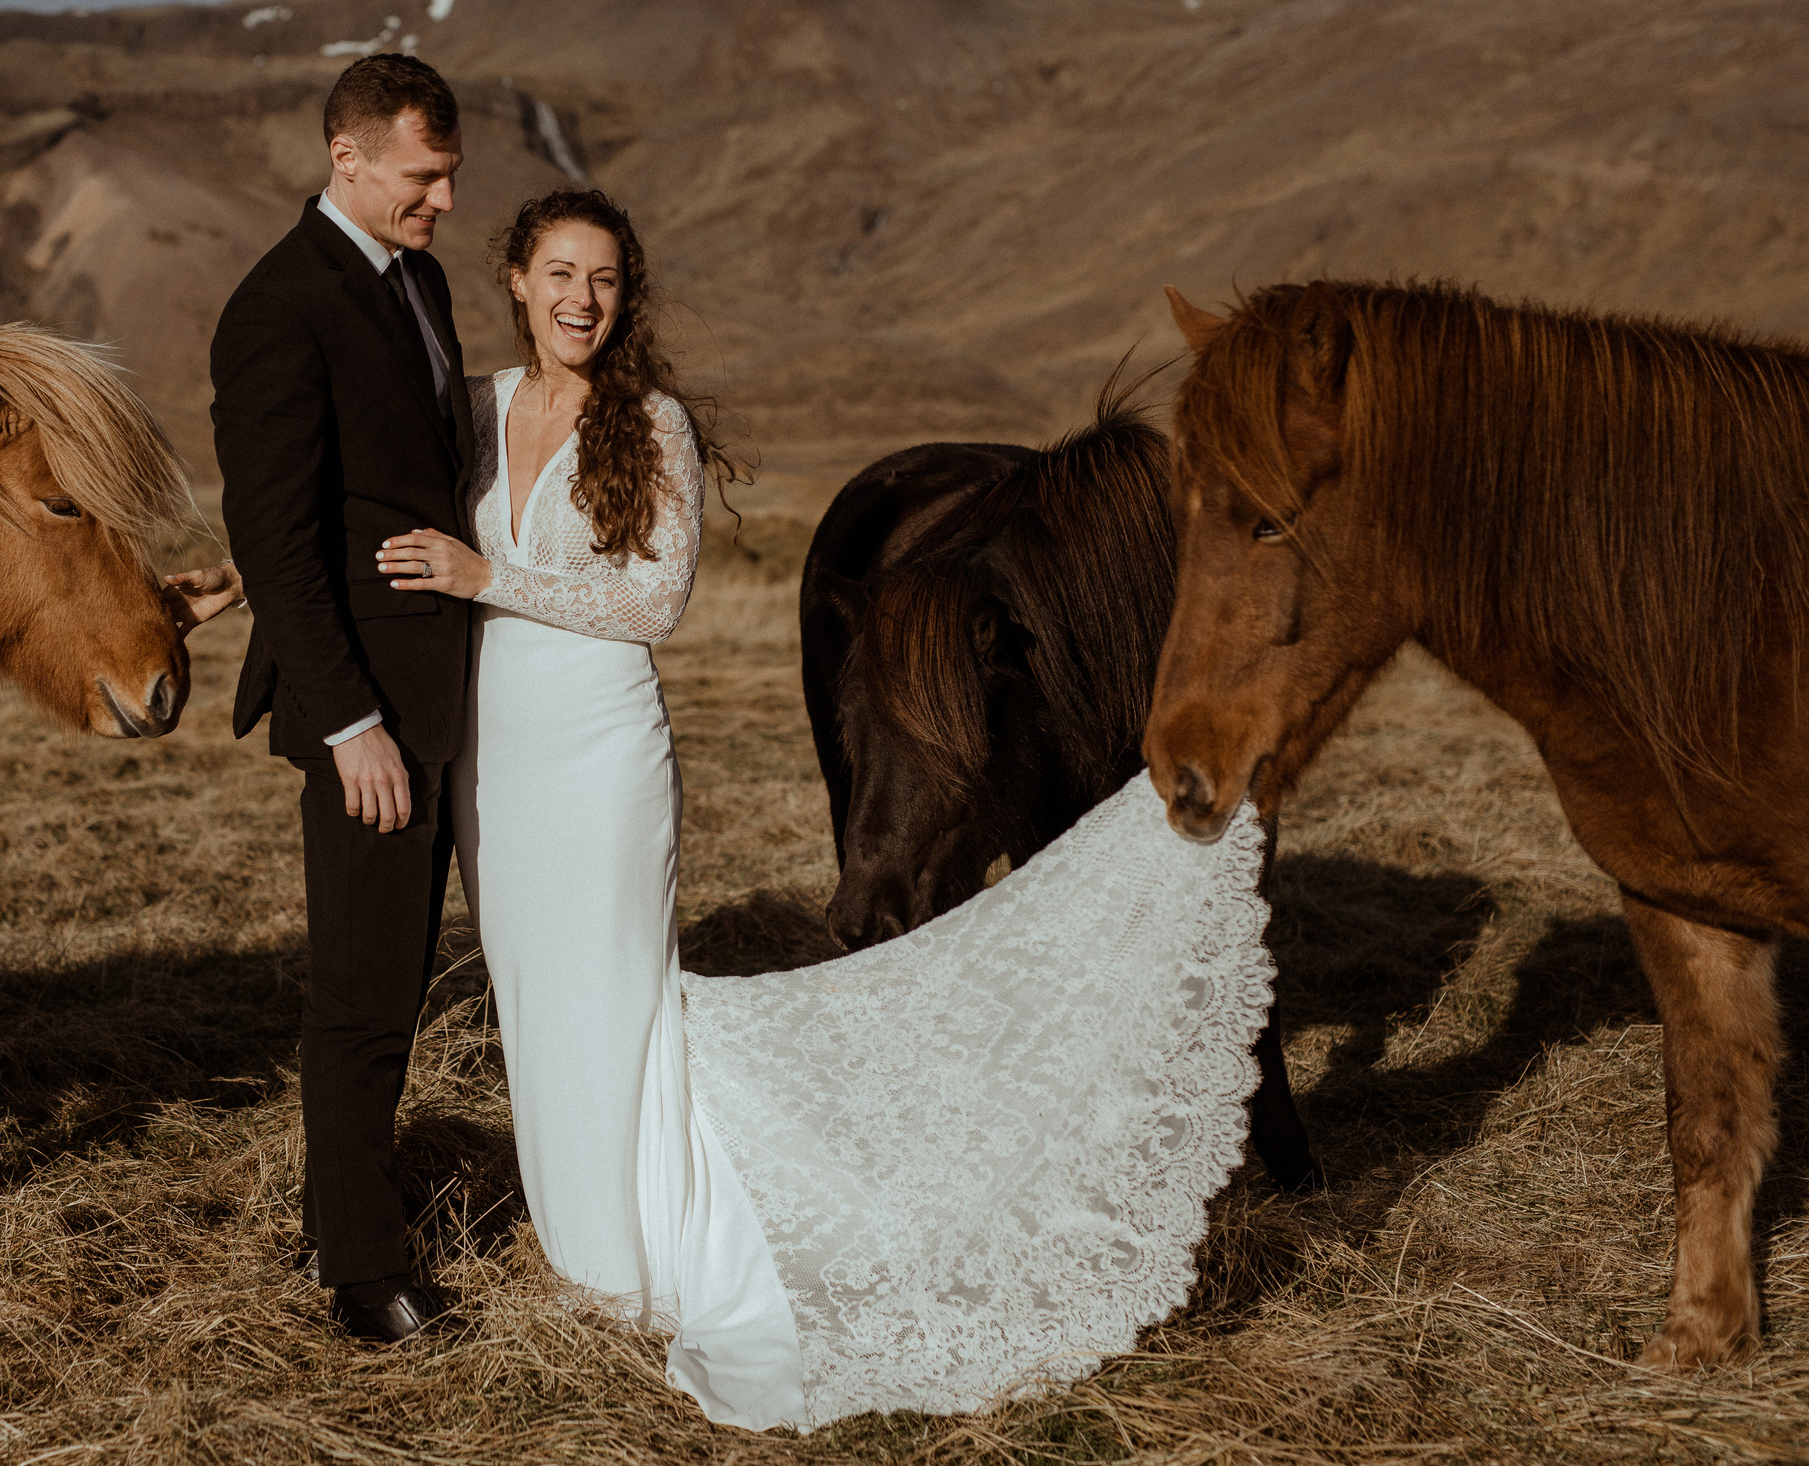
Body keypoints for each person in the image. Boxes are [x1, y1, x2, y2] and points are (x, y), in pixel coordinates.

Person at [374, 189, 1278, 1427]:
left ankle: (645, 1254)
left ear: (620, 298)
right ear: (517, 279)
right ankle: (579, 1232)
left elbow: (655, 603)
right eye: (559, 274)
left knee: (611, 992)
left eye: (604, 280)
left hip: (595, 747)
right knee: (530, 992)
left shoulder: (652, 423)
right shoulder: (472, 412)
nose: (581, 299)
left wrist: (493, 574)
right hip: (496, 755)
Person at [208, 54, 475, 1344]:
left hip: (443, 693)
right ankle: (361, 1275)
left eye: (449, 179)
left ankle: (335, 1211)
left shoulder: (415, 281)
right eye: (422, 179)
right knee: (364, 993)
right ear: (348, 158)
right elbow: (275, 540)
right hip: (365, 711)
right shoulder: (277, 308)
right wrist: (352, 724)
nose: (440, 205)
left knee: (404, 979)